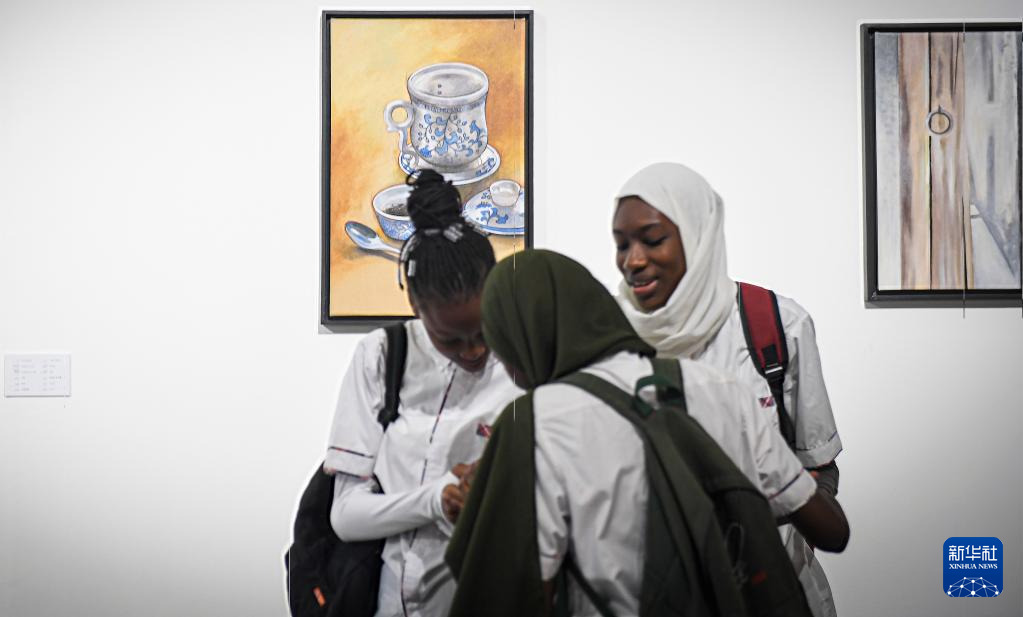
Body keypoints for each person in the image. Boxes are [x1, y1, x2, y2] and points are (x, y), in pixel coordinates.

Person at [445, 249, 848, 617]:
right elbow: (832, 531)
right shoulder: (718, 388)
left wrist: (486, 511)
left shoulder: (534, 424)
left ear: (519, 343)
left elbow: (519, 597)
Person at [612, 162, 845, 617]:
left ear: (698, 235)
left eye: (652, 240)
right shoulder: (609, 337)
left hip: (772, 593)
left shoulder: (775, 324)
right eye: (621, 244)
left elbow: (820, 467)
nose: (632, 261)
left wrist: (763, 512)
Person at [323, 169, 521, 617]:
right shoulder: (382, 356)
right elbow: (347, 515)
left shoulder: (522, 363)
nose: (474, 351)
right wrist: (438, 499)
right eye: (450, 339)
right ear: (414, 302)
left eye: (484, 331)